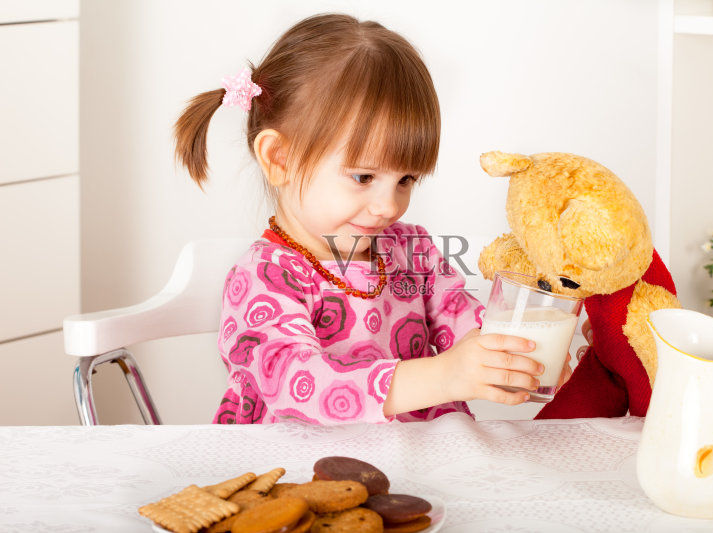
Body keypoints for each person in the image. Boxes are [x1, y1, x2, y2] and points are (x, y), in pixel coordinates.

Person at [174, 13, 569, 424]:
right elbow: (299, 383)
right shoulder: (264, 277)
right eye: (364, 177)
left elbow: (462, 319)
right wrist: (446, 374)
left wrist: (515, 353)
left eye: (405, 179)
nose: (389, 206)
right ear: (280, 159)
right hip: (296, 474)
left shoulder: (410, 251)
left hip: (418, 470)